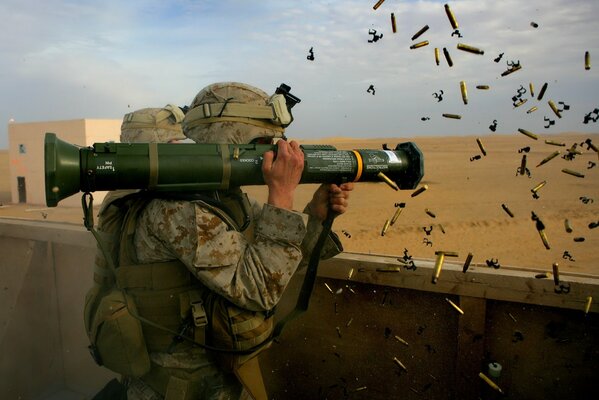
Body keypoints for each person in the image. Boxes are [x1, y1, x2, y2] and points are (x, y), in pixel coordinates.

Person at [87, 83, 353, 400]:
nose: (273, 152)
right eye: (264, 143)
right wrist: (281, 197)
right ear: (232, 140)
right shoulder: (178, 210)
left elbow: (274, 259)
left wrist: (316, 216)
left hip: (215, 383)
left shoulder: (219, 200)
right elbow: (259, 289)